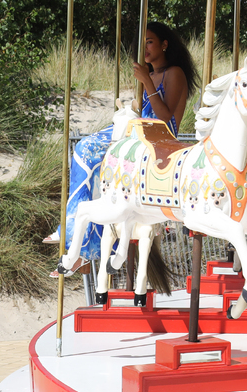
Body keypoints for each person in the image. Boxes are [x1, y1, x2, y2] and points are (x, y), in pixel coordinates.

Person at [46, 21, 198, 275]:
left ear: (164, 44)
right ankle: (79, 236)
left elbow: (165, 118)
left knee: (86, 148)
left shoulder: (174, 73)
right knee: (87, 155)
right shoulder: (151, 75)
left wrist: (147, 83)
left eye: (149, 42)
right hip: (139, 130)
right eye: (141, 43)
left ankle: (77, 236)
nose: (144, 48)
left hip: (157, 135)